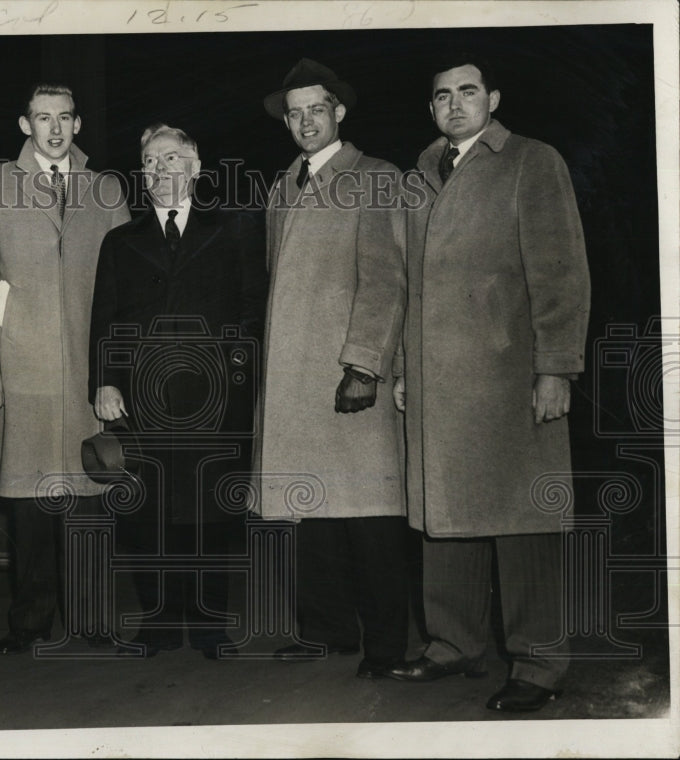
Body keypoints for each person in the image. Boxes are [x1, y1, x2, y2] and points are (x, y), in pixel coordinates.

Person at [386, 56, 590, 713]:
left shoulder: (532, 160)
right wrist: (403, 370)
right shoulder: (421, 174)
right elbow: (405, 283)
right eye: (441, 95)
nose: (454, 104)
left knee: (522, 520)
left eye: (467, 92)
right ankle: (455, 645)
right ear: (431, 109)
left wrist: (556, 367)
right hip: (438, 384)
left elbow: (561, 273)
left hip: (509, 378)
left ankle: (540, 663)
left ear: (492, 98)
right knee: (445, 519)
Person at [255, 58, 410, 678]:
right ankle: (326, 630)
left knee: (368, 513)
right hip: (293, 378)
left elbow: (386, 278)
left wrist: (366, 365)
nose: (304, 121)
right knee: (310, 510)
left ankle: (385, 645)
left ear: (339, 112)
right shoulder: (281, 184)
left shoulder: (375, 177)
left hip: (348, 374)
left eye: (316, 109)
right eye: (295, 113)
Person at [0, 83, 130, 655]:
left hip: (88, 373)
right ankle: (29, 622)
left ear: (78, 125)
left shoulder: (105, 189)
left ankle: (92, 620)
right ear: (24, 123)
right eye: (42, 118)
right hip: (23, 367)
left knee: (89, 491)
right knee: (32, 502)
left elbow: (123, 290)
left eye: (64, 118)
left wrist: (117, 369)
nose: (54, 129)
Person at [88, 123, 268, 658]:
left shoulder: (234, 229)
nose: (159, 170)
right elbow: (105, 316)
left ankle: (211, 625)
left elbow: (251, 311)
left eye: (170, 158)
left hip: (215, 401)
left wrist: (233, 374)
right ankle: (160, 623)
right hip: (141, 403)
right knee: (148, 513)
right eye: (149, 161)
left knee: (212, 513)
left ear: (195, 167)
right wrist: (104, 381)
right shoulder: (120, 241)